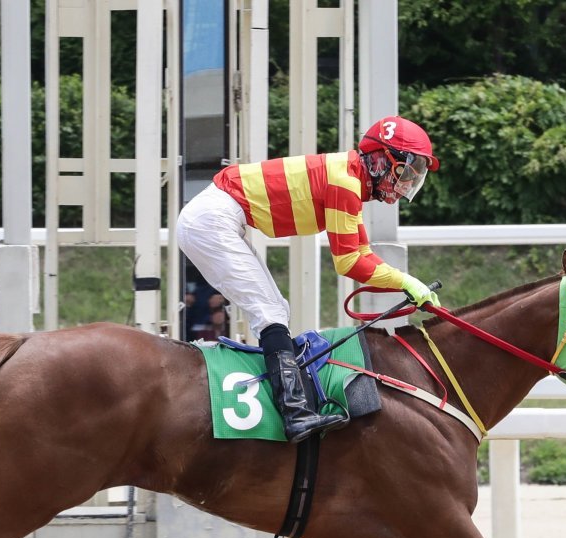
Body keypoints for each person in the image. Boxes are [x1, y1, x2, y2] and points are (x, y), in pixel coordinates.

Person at [176, 115, 441, 443]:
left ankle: (293, 405)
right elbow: (350, 262)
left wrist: (406, 282)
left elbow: (361, 252)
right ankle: (294, 413)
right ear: (380, 161)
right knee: (270, 313)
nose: (406, 184)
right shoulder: (344, 182)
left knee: (277, 310)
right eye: (405, 172)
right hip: (212, 219)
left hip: (216, 215)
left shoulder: (348, 177)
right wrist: (405, 282)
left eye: (414, 175)